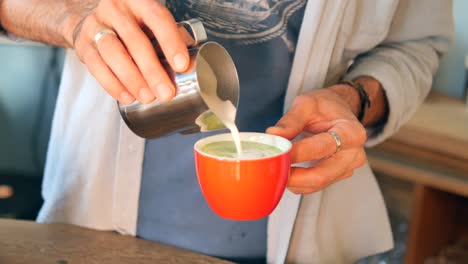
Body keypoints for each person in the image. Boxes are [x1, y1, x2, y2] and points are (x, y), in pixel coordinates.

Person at [0, 0, 453, 263]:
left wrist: (355, 98)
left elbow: (416, 47)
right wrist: (73, 19)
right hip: (95, 235)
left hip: (298, 241)